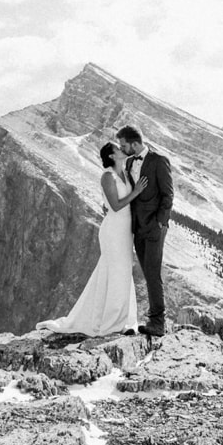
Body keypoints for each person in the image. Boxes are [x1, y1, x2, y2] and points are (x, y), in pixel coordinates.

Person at [36, 142, 147, 337]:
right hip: (113, 231)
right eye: (118, 149)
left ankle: (124, 320)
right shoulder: (107, 176)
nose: (123, 150)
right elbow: (115, 205)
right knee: (115, 271)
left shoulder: (126, 173)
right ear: (112, 156)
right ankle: (111, 322)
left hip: (125, 231)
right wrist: (136, 192)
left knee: (123, 272)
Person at [118, 124, 173, 336]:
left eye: (124, 146)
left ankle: (158, 322)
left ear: (134, 143)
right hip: (137, 227)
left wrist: (160, 223)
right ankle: (153, 318)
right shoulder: (130, 162)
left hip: (155, 227)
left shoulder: (159, 161)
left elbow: (168, 195)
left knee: (152, 272)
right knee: (146, 271)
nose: (122, 149)